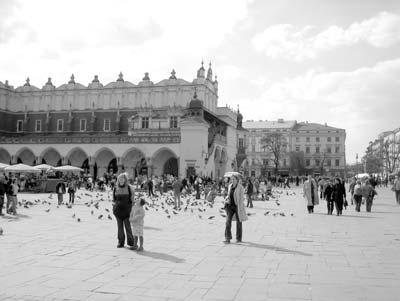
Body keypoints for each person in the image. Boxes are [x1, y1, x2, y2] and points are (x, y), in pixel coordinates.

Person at [223, 175, 248, 244]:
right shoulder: (230, 186)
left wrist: (239, 207)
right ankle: (227, 238)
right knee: (228, 221)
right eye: (232, 179)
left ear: (237, 180)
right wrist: (226, 198)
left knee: (239, 222)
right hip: (230, 206)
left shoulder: (240, 188)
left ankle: (238, 238)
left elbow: (241, 198)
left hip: (237, 206)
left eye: (234, 179)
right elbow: (229, 195)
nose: (232, 180)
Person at [112, 173, 134, 248]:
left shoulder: (129, 188)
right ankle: (120, 242)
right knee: (120, 227)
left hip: (127, 210)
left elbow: (132, 199)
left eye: (122, 178)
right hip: (118, 211)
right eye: (119, 178)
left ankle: (131, 242)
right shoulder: (115, 188)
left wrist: (132, 209)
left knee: (128, 226)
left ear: (125, 179)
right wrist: (114, 208)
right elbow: (114, 199)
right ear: (118, 180)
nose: (121, 179)